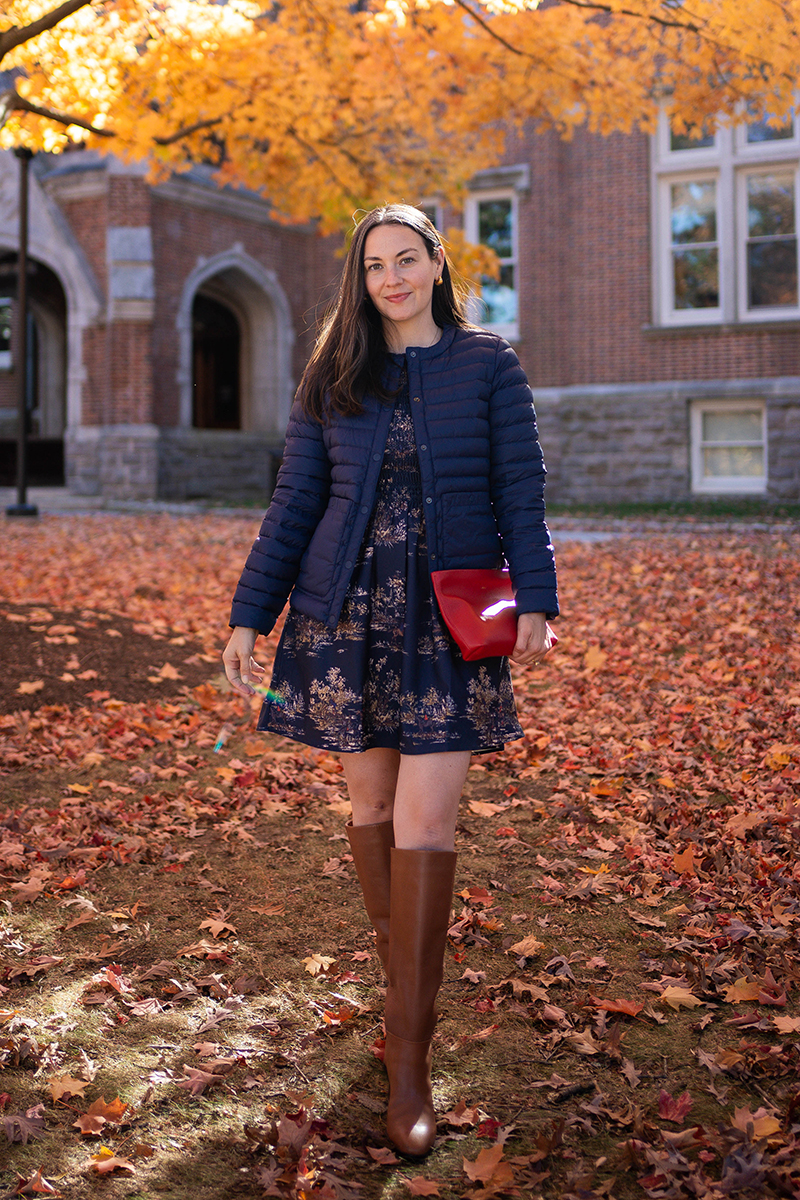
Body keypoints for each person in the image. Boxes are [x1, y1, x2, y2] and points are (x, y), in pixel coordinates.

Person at [223, 204, 558, 1157]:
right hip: (346, 618)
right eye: (375, 267)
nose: (392, 279)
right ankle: (395, 992)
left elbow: (520, 486)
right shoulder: (334, 373)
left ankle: (409, 1056)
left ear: (436, 265)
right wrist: (253, 613)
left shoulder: (488, 364)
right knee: (369, 810)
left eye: (406, 261)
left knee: (426, 821)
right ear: (360, 279)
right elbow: (296, 500)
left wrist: (535, 595)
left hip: (448, 620)